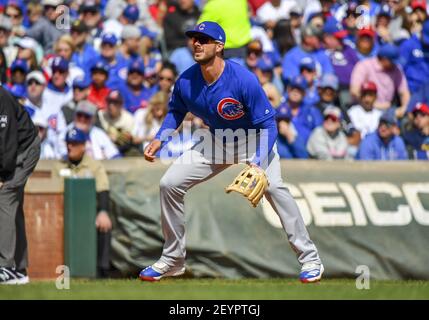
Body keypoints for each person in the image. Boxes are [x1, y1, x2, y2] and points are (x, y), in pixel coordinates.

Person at [139, 21, 323, 283]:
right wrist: (160, 139)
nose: (197, 43)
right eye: (194, 39)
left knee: (274, 189)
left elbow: (268, 124)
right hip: (216, 140)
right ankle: (173, 260)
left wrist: (258, 163)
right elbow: (176, 111)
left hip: (254, 139)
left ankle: (310, 259)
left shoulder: (242, 79)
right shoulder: (187, 80)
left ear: (220, 46)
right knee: (169, 183)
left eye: (204, 39)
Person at [54, 127, 113, 278]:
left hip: (87, 214)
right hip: (64, 214)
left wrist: (103, 212)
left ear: (83, 145)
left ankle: (101, 270)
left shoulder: (94, 165)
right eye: (68, 143)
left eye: (74, 143)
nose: (69, 147)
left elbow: (103, 190)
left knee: (104, 224)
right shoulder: (59, 165)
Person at [0, 86, 41, 284]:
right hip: (11, 151)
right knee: (12, 206)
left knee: (5, 195)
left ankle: (5, 267)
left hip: (25, 149)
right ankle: (19, 269)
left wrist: (2, 175)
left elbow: (6, 141)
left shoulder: (2, 97)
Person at [350, 43, 410, 119]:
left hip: (387, 110)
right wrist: (374, 104)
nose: (395, 64)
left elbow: (404, 92)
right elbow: (354, 91)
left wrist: (405, 108)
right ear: (384, 59)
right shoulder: (364, 65)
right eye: (392, 61)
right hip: (364, 109)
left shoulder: (396, 68)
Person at [98, 90, 138, 156]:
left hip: (122, 151)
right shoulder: (100, 115)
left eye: (115, 102)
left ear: (121, 104)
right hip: (103, 149)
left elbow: (129, 140)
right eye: (109, 101)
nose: (111, 105)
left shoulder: (128, 119)